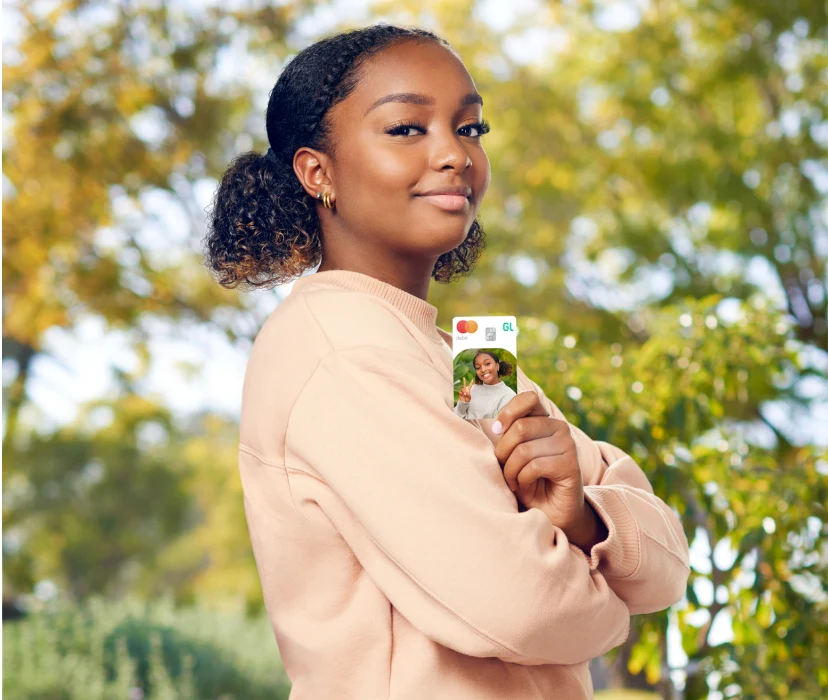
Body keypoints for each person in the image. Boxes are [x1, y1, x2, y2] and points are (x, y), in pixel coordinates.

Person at [203, 23, 690, 700]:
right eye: (406, 128)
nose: (456, 155)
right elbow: (527, 606)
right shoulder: (338, 347)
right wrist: (608, 603)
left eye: (470, 129)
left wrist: (583, 522)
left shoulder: (468, 356)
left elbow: (667, 565)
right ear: (318, 172)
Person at [454, 350, 517, 419]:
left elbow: (500, 426)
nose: (483, 369)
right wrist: (463, 403)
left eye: (487, 364)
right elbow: (455, 418)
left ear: (497, 366)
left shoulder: (508, 395)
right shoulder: (470, 390)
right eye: (478, 367)